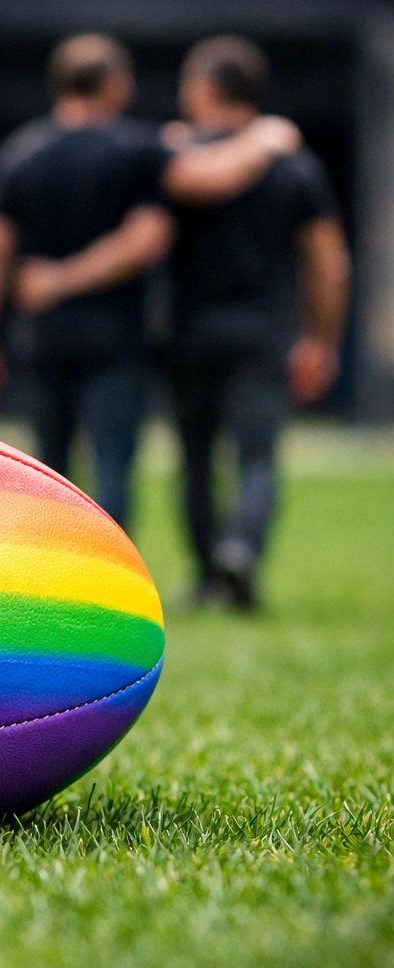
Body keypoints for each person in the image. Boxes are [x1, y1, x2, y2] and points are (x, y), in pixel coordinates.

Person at [0, 33, 300, 534]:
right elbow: (184, 203)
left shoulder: (17, 156)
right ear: (115, 86)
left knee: (45, 472)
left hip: (42, 339)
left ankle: (51, 587)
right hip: (117, 340)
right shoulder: (137, 149)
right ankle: (107, 592)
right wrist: (263, 139)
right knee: (112, 468)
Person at [167, 36, 350, 608]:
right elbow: (328, 262)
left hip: (187, 329)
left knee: (195, 456)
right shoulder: (295, 165)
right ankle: (240, 553)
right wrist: (321, 338)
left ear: (204, 89)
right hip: (264, 331)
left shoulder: (176, 157)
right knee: (257, 457)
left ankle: (206, 574)